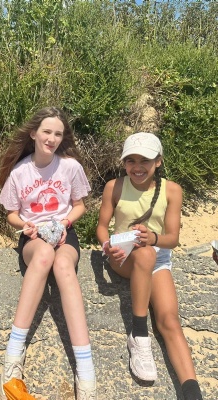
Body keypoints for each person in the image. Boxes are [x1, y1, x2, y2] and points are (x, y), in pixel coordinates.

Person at [0, 107, 97, 400]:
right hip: (32, 235)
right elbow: (11, 214)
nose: (52, 138)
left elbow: (79, 206)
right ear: (33, 134)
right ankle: (14, 352)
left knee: (63, 267)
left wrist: (64, 223)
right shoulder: (19, 172)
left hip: (64, 231)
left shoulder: (70, 167)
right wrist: (26, 225)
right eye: (47, 132)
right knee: (43, 257)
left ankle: (85, 369)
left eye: (58, 134)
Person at [96, 132, 203, 400]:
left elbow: (172, 239)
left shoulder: (172, 190)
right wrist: (107, 246)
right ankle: (139, 333)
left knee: (169, 320)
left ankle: (193, 392)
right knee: (144, 255)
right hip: (124, 255)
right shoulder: (115, 186)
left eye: (145, 160)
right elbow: (101, 227)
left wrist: (153, 238)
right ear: (124, 163)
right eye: (130, 160)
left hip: (158, 255)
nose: (137, 167)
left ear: (158, 161)